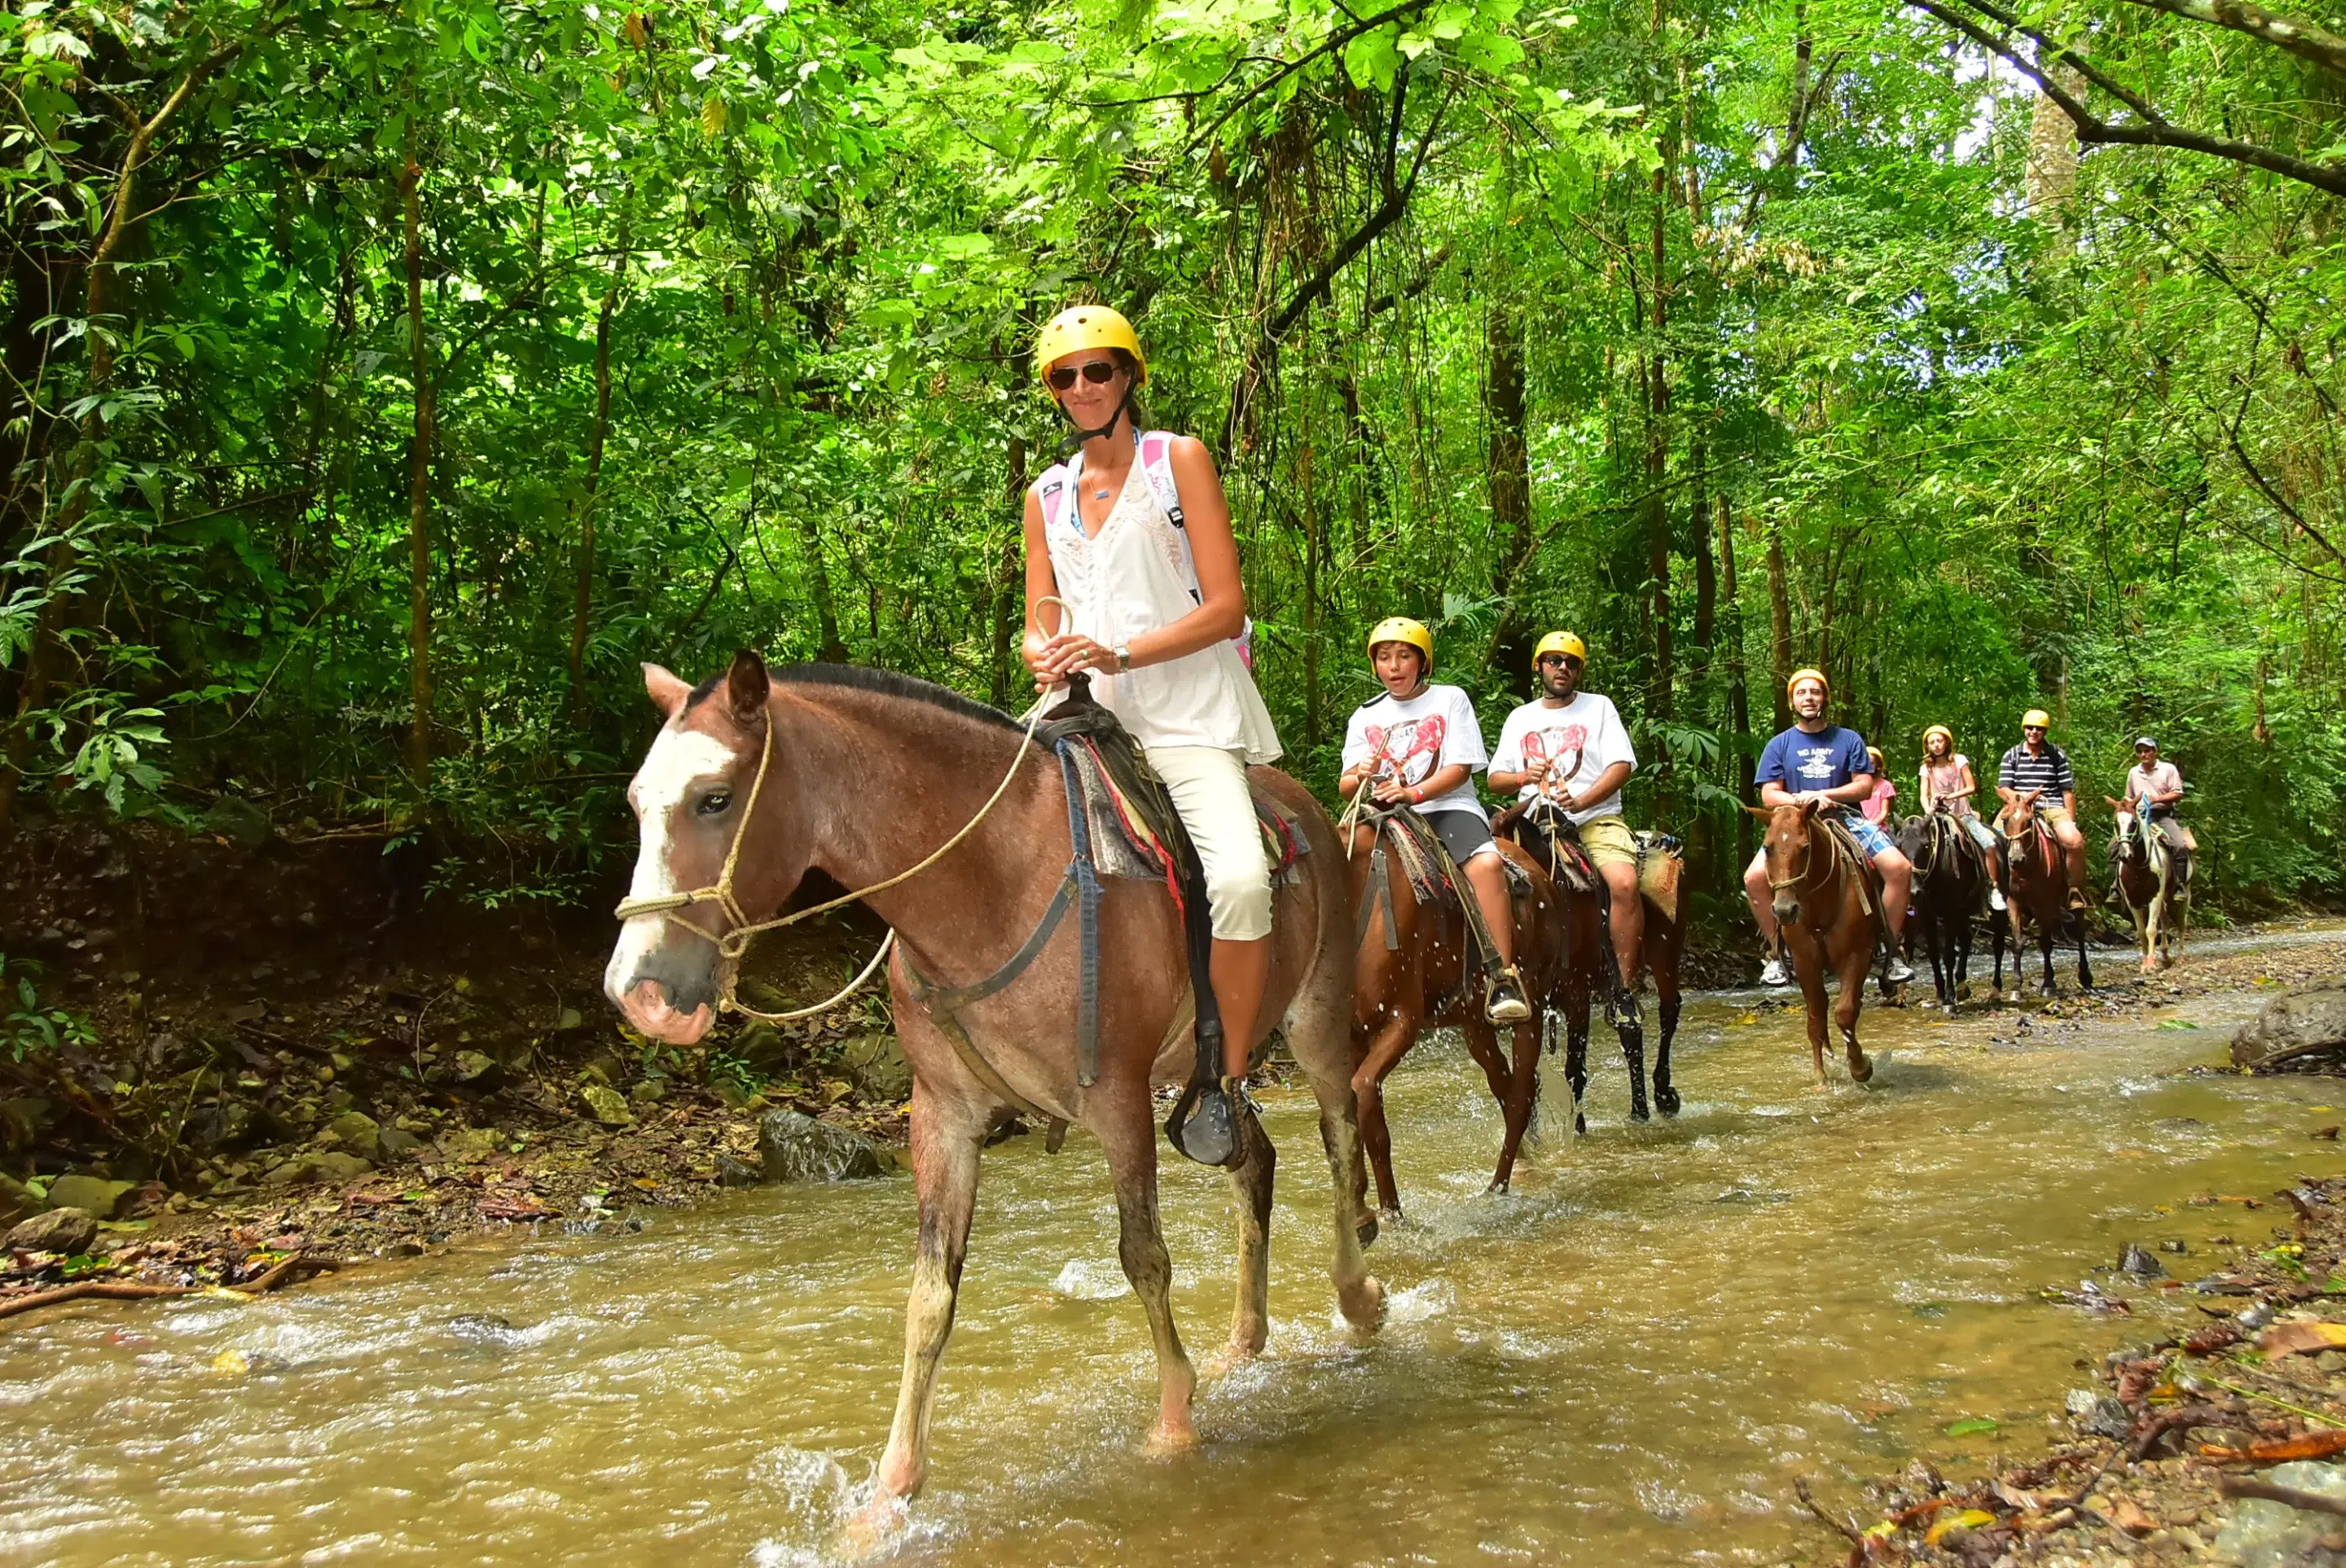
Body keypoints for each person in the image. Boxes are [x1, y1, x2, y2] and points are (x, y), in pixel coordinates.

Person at [1020, 304, 1280, 1164]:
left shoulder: (1179, 462)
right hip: (1077, 713)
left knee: (1240, 877)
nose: (1085, 386)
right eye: (1067, 375)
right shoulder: (1046, 494)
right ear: (1053, 391)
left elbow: (1227, 607)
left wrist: (1120, 649)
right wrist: (1044, 649)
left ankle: (1228, 1079)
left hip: (1183, 714)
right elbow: (1038, 617)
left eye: (1101, 369)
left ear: (1129, 375)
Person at [1337, 617, 1532, 1025]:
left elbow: (1460, 768)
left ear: (1422, 662)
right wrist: (1362, 774)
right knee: (1335, 860)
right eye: (1384, 657)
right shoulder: (1365, 715)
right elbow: (1345, 785)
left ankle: (1502, 977)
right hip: (1382, 813)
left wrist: (1413, 793)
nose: (1393, 666)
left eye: (1404, 656)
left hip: (1446, 807)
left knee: (1487, 863)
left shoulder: (1450, 699)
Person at [1487, 630, 1645, 1024]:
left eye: (1571, 663)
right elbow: (1495, 779)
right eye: (1554, 661)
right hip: (1533, 818)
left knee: (1624, 884)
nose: (1563, 668)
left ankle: (1624, 990)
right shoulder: (1520, 718)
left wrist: (1584, 800)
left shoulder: (1599, 708)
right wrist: (1525, 774)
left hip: (1594, 817)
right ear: (1539, 666)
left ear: (1579, 672)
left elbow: (1621, 765)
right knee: (1490, 877)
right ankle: (1503, 978)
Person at [1742, 669, 1916, 988]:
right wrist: (1801, 801)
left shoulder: (1848, 739)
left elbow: (1864, 786)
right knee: (1753, 878)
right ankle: (1779, 955)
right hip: (1794, 827)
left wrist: (1826, 796)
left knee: (1900, 868)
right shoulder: (1779, 744)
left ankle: (1887, 950)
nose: (1809, 698)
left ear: (1825, 698)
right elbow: (1769, 795)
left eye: (1815, 692)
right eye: (1801, 693)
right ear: (1792, 700)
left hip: (1844, 819)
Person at [1996, 709, 2088, 910]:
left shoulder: (2057, 755)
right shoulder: (2011, 755)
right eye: (2030, 728)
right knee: (1992, 841)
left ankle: (2074, 890)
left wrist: (2071, 821)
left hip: (2050, 805)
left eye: (2039, 728)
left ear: (2045, 731)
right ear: (2024, 729)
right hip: (2017, 807)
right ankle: (1994, 887)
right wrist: (2023, 799)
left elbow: (2067, 791)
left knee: (2075, 842)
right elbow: (2004, 788)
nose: (2034, 732)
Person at [1918, 723, 2007, 911]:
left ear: (1947, 742)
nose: (1936, 745)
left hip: (1962, 815)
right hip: (1938, 817)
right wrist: (1929, 808)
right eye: (1932, 742)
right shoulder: (1926, 768)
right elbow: (1923, 796)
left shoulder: (1959, 761)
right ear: (1927, 746)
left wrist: (1950, 796)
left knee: (1989, 845)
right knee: (1916, 844)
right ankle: (1920, 888)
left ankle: (1993, 887)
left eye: (1939, 741)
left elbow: (1971, 787)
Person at [2124, 737, 2196, 852]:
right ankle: (2114, 870)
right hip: (2138, 818)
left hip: (2162, 816)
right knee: (2114, 847)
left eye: (2147, 751)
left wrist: (2157, 799)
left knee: (2179, 846)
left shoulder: (2168, 769)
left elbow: (2177, 793)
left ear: (2155, 752)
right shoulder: (2133, 772)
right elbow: (2129, 798)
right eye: (2140, 752)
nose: (2143, 755)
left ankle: (2179, 870)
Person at [1860, 748, 1897, 824]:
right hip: (1857, 824)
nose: (1868, 765)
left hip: (1878, 827)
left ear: (1877, 765)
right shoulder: (1855, 784)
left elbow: (1884, 812)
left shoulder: (1885, 785)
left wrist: (1873, 824)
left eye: (1871, 763)